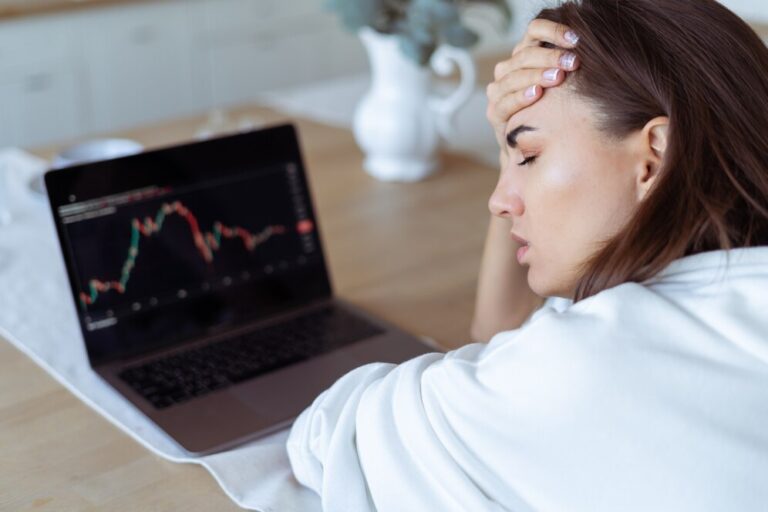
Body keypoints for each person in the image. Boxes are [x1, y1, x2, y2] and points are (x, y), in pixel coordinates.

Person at [286, 0, 768, 510]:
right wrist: (514, 148)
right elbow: (506, 332)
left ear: (654, 157)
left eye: (532, 156)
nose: (498, 202)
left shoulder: (592, 365)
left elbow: (330, 439)